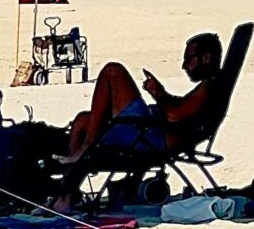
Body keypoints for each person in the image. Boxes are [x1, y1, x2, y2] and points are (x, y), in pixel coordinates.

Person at [62, 31, 224, 166]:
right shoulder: (211, 88)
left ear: (206, 58)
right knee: (83, 120)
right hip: (149, 132)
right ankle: (67, 188)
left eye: (189, 59)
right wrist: (161, 94)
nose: (184, 66)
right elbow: (182, 109)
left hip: (150, 139)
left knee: (113, 71)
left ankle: (87, 146)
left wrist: (158, 93)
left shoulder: (209, 88)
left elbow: (174, 115)